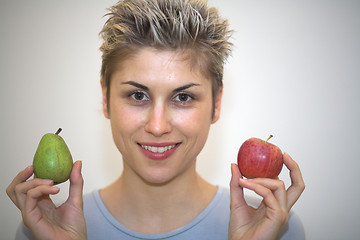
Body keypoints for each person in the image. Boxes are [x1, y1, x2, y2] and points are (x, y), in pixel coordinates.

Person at [6, 0, 305, 239]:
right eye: (138, 96)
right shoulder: (41, 229)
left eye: (183, 97)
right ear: (105, 99)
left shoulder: (275, 228)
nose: (158, 126)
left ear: (216, 105)